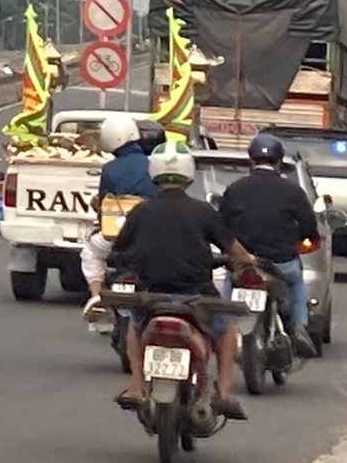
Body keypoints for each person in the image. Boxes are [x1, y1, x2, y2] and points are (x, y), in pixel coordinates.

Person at [108, 140, 253, 419]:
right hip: (197, 296)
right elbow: (235, 251)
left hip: (151, 297)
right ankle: (223, 391)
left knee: (134, 327)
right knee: (225, 329)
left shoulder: (141, 211)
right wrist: (247, 261)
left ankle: (137, 387)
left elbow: (119, 252)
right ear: (189, 173)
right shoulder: (203, 212)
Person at [217, 133, 320, 357]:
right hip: (282, 264)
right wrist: (303, 239)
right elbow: (309, 226)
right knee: (296, 281)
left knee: (229, 282)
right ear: (279, 161)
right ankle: (300, 327)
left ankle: (222, 324)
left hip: (245, 263)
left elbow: (220, 226)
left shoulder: (236, 189)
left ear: (251, 160)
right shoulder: (293, 191)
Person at [81, 114, 157, 320]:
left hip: (120, 234)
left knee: (90, 251)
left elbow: (104, 203)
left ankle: (97, 297)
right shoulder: (155, 164)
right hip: (154, 233)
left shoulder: (110, 169)